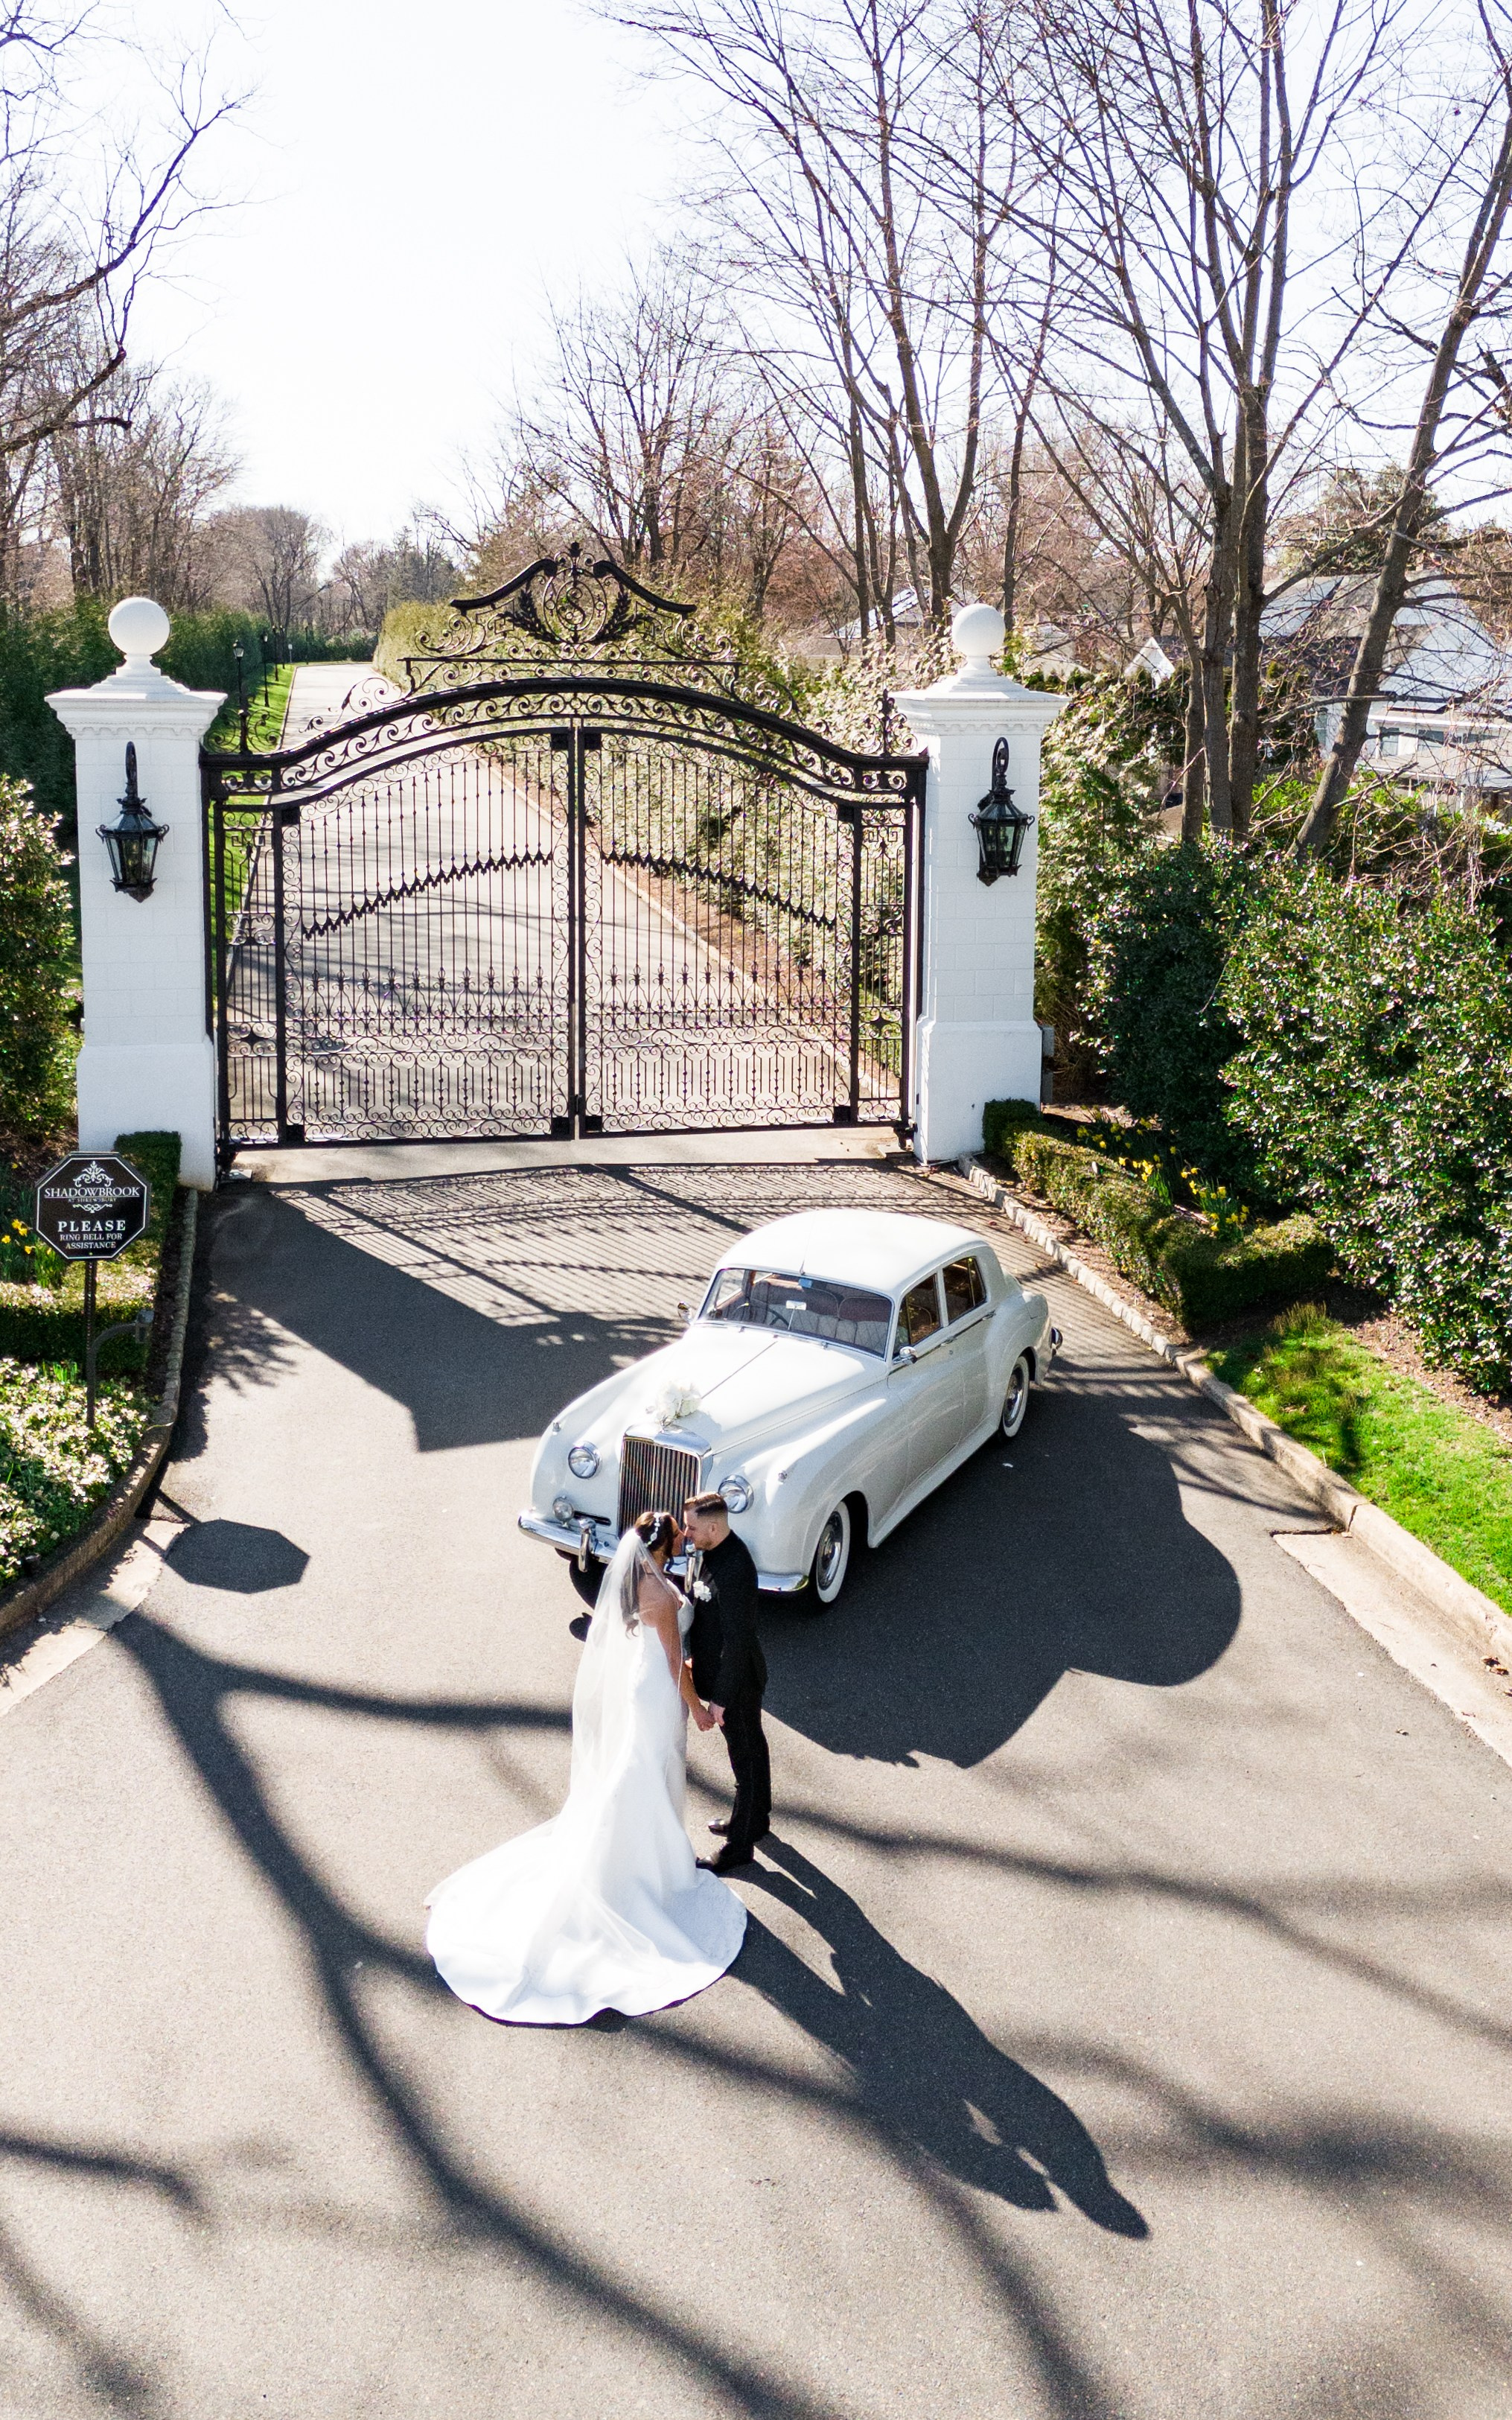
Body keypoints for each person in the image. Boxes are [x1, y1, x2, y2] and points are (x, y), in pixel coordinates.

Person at [425, 1511, 747, 2025]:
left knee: (636, 1770)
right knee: (643, 1772)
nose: (686, 1537)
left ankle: (636, 1854)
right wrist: (697, 1706)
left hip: (638, 1686)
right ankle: (635, 1871)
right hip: (658, 1692)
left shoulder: (638, 1581)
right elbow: (671, 1661)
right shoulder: (661, 1597)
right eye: (678, 1534)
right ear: (662, 1547)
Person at [682, 1490, 771, 1875]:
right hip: (725, 1675)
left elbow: (738, 1641)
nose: (686, 1533)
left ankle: (739, 1846)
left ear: (714, 1527)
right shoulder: (714, 1552)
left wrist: (720, 1698)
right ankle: (756, 1820)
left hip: (736, 1681)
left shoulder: (735, 1569)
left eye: (691, 1527)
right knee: (751, 1745)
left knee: (744, 1759)